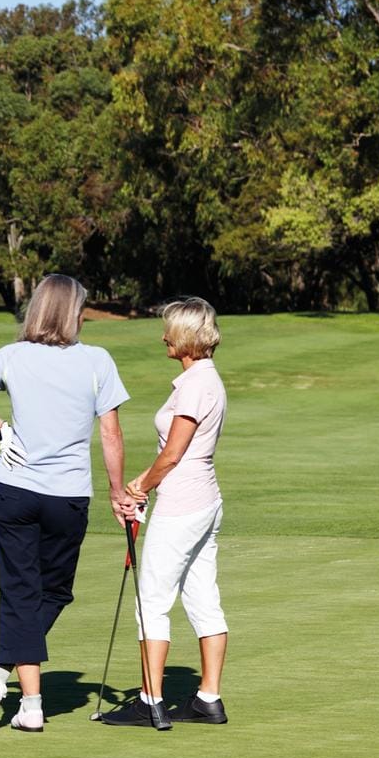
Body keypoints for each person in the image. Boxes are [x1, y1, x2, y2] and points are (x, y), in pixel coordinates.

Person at [0, 274, 136, 732]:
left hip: (15, 493)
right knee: (40, 594)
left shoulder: (13, 356)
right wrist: (117, 492)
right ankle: (31, 706)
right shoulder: (96, 361)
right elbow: (110, 432)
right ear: (72, 313)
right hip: (67, 498)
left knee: (32, 595)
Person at [100, 297, 230, 728]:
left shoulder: (195, 385)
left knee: (151, 602)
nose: (163, 338)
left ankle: (150, 700)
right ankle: (207, 699)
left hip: (181, 505)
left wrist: (138, 489)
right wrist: (143, 483)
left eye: (169, 332)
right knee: (202, 598)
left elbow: (174, 453)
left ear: (187, 338)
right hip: (204, 501)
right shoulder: (205, 380)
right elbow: (172, 454)